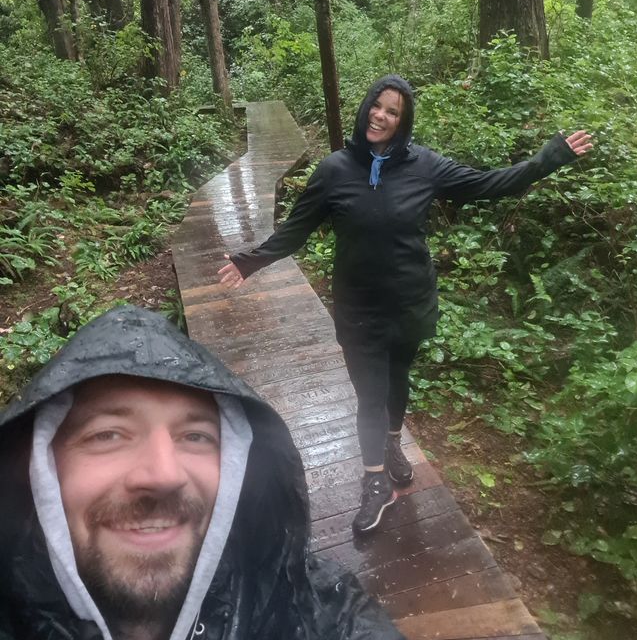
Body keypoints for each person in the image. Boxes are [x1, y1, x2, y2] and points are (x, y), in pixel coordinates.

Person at [0, 304, 476, 640]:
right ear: (38, 470)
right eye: (108, 434)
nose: (164, 474)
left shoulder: (315, 613)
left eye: (195, 436)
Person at [219, 74, 593, 535]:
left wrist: (549, 158)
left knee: (398, 381)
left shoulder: (425, 167)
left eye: (393, 112)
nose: (381, 115)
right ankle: (374, 480)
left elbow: (490, 184)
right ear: (365, 108)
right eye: (377, 105)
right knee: (369, 394)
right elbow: (297, 228)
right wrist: (249, 262)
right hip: (359, 309)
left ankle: (392, 444)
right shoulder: (334, 170)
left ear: (403, 121)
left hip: (411, 304)